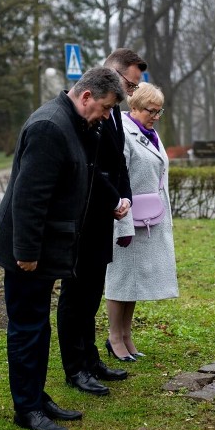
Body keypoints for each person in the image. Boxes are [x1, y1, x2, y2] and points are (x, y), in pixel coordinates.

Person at [0, 67, 125, 430]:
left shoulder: (75, 124)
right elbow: (30, 198)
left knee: (37, 326)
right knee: (27, 327)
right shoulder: (50, 126)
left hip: (45, 247)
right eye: (106, 108)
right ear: (86, 97)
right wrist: (27, 252)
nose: (107, 116)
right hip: (28, 252)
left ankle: (34, 395)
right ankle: (26, 409)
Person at [56, 49, 148, 396]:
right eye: (129, 83)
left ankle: (91, 360)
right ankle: (75, 368)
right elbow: (89, 166)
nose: (132, 93)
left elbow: (117, 163)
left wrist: (125, 197)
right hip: (83, 216)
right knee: (75, 296)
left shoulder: (112, 114)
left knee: (92, 293)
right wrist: (113, 198)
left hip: (104, 218)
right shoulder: (87, 110)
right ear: (110, 73)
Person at [105, 83, 178, 361]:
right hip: (126, 218)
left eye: (159, 112)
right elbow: (117, 179)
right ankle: (114, 338)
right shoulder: (123, 134)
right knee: (121, 280)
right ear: (134, 107)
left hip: (148, 219)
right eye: (151, 110)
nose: (155, 116)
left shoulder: (150, 133)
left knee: (135, 282)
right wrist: (121, 221)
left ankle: (126, 336)